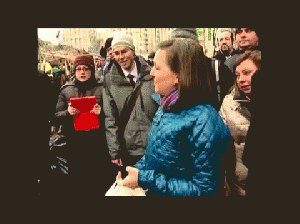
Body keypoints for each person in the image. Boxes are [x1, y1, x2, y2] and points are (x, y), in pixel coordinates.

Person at [116, 38, 231, 196]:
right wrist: (134, 172)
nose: (152, 73)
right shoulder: (166, 107)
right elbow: (156, 156)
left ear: (178, 75)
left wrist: (145, 179)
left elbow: (204, 190)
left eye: (157, 67)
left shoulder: (204, 122)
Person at [51, 54, 113, 197]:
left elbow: (113, 114)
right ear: (74, 71)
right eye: (78, 69)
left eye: (86, 69)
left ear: (92, 70)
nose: (82, 72)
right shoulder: (66, 89)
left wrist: (101, 111)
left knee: (99, 180)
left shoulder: (102, 87)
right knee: (78, 182)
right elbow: (55, 117)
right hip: (75, 144)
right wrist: (67, 112)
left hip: (98, 143)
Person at [102, 33, 159, 171]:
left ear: (133, 51)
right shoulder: (110, 81)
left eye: (124, 51)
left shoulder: (151, 74)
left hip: (156, 146)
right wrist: (114, 151)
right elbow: (110, 119)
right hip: (129, 150)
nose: (120, 57)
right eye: (116, 53)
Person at [219, 50, 261, 196]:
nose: (241, 79)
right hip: (237, 182)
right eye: (237, 75)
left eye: (247, 73)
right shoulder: (229, 103)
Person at [211, 29, 235, 107]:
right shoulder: (213, 62)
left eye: (227, 39)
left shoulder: (239, 59)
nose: (224, 42)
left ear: (232, 41)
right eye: (221, 40)